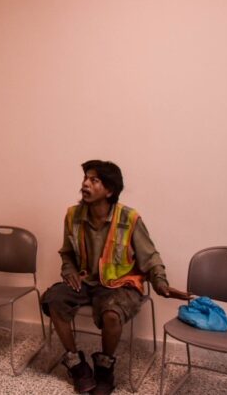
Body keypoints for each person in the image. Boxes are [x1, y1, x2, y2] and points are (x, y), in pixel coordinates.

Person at [41, 160, 190, 395]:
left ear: (109, 190)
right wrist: (69, 271)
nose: (85, 184)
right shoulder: (73, 215)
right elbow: (67, 253)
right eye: (85, 178)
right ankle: (76, 364)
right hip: (86, 281)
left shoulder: (129, 218)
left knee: (112, 314)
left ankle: (104, 369)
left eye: (94, 180)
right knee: (54, 299)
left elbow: (150, 256)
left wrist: (161, 283)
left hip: (120, 284)